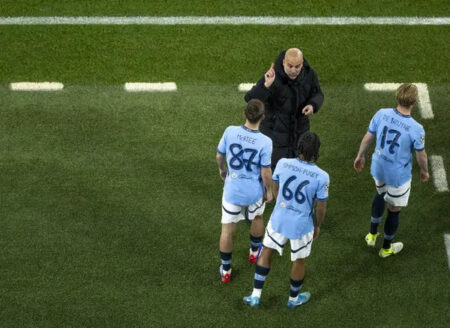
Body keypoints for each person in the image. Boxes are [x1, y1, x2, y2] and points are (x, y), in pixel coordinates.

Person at [243, 132, 329, 308]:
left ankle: (255, 296)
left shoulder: (283, 163)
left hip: (279, 218)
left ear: (299, 148)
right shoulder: (322, 176)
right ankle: (293, 300)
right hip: (302, 225)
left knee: (267, 251)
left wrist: (277, 199)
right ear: (317, 151)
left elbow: (274, 185)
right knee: (299, 260)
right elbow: (321, 207)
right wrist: (317, 225)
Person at [353, 83, 429, 258]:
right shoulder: (416, 128)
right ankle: (386, 248)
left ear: (397, 96)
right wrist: (424, 171)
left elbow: (368, 136)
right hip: (398, 175)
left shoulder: (381, 113)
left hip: (378, 167)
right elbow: (421, 155)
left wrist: (360, 156)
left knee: (380, 193)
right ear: (414, 102)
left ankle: (372, 235)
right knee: (394, 209)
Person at [216, 99, 273, 283]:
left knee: (227, 230)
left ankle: (226, 270)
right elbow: (265, 172)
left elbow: (219, 155)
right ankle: (254, 252)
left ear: (244, 113)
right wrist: (269, 190)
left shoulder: (230, 131)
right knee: (257, 218)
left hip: (232, 192)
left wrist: (222, 169)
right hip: (254, 193)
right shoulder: (265, 142)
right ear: (262, 117)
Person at [245, 48, 324, 169]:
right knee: (274, 175)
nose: (293, 70)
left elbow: (318, 94)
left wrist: (313, 105)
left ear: (302, 64)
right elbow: (250, 99)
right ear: (283, 62)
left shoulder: (309, 74)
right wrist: (266, 86)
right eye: (290, 66)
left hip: (299, 134)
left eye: (297, 66)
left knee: (298, 171)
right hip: (274, 136)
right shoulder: (272, 75)